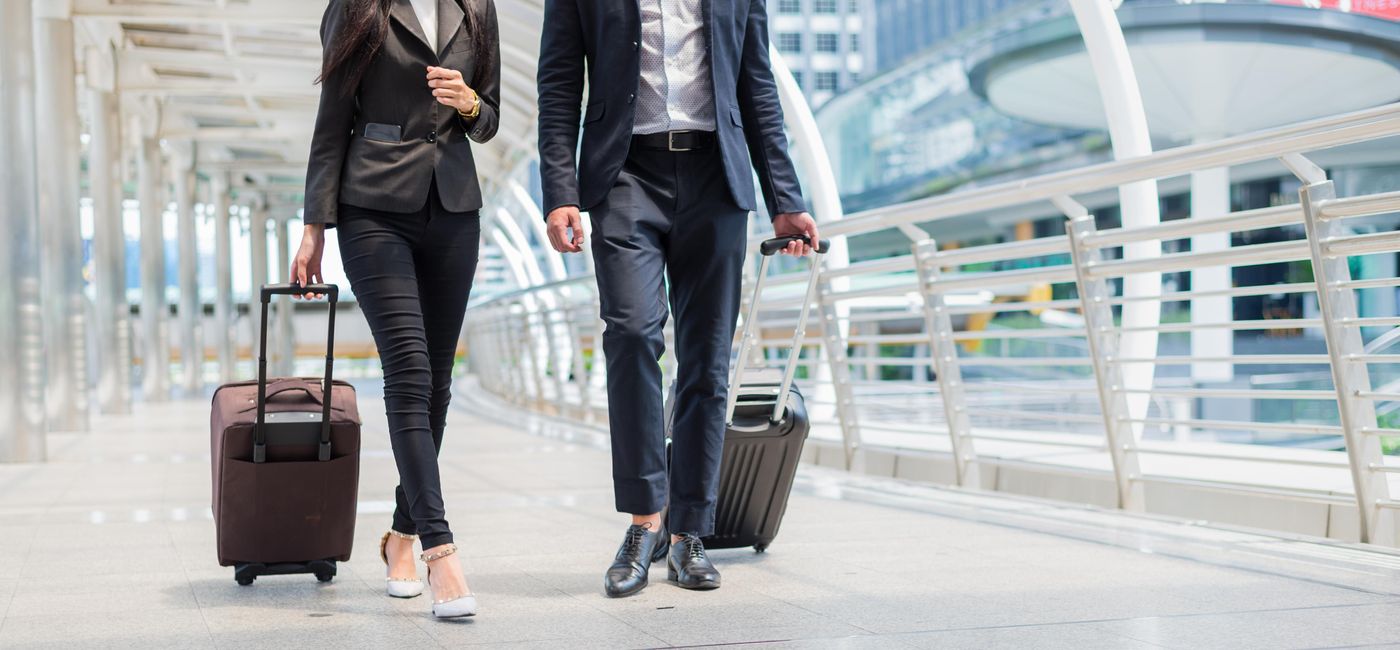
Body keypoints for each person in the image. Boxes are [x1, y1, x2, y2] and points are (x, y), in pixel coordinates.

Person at [537, 0, 819, 598]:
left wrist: (785, 200)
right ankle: (645, 522)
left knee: (706, 359)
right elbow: (559, 84)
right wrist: (559, 191)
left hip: (717, 177)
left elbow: (756, 84)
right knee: (633, 333)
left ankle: (691, 529)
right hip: (624, 177)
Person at [293, 0, 499, 619]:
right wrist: (313, 228)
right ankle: (441, 549)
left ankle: (400, 538)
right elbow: (332, 119)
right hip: (373, 208)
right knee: (408, 373)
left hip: (455, 209)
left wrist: (466, 101)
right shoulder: (358, 6)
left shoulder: (476, 7)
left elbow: (488, 119)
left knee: (437, 385)